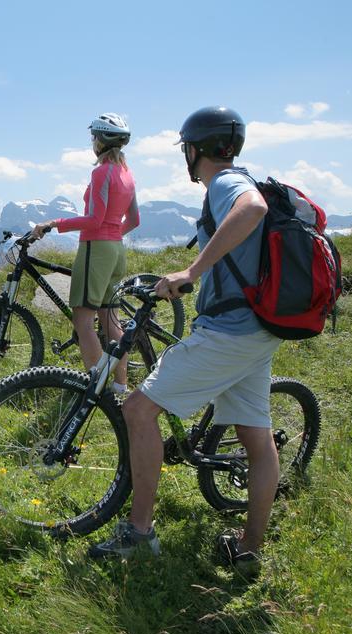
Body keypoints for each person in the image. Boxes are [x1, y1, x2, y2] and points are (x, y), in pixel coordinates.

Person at [89, 106, 278, 574]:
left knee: (137, 408)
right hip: (256, 330)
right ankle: (249, 547)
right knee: (255, 435)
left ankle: (139, 533)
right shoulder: (238, 177)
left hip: (229, 333)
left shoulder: (226, 184)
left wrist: (193, 271)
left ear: (194, 150)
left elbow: (253, 208)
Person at [31, 113, 141, 395]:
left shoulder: (101, 172)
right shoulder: (127, 175)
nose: (92, 141)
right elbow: (134, 220)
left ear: (101, 141)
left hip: (96, 249)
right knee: (110, 320)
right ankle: (119, 386)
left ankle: (93, 390)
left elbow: (93, 219)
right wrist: (112, 236)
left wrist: (54, 224)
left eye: (94, 136)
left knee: (83, 321)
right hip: (116, 250)